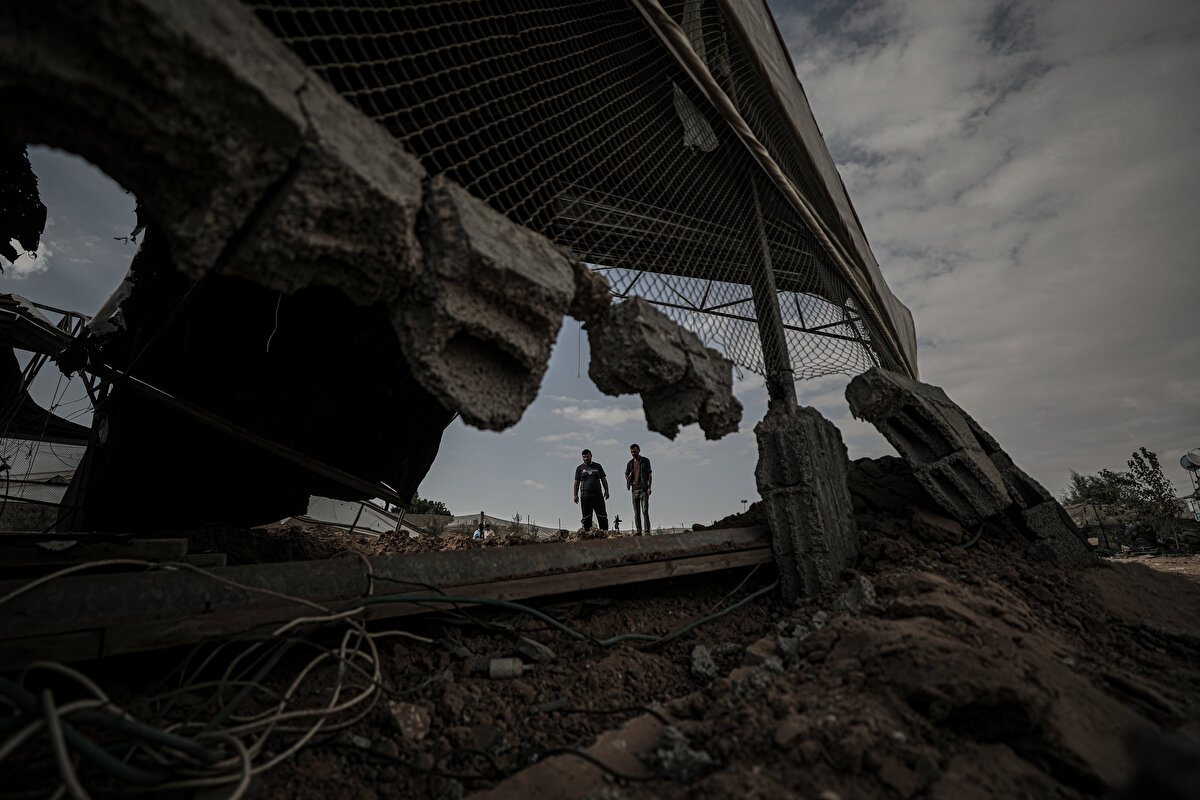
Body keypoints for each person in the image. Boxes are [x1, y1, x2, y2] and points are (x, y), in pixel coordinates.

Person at [573, 449, 610, 531]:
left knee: (602, 515)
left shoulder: (598, 466)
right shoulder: (579, 468)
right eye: (584, 457)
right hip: (585, 496)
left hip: (598, 495)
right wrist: (575, 495)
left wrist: (607, 491)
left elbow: (603, 479)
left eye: (587, 457)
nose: (586, 458)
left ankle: (605, 532)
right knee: (586, 517)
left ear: (591, 456)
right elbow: (576, 482)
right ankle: (587, 533)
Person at [624, 443, 652, 535]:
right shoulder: (630, 463)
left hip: (643, 490)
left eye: (635, 451)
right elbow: (626, 474)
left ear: (639, 451)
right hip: (634, 491)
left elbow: (649, 475)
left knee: (645, 512)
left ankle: (647, 532)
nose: (633, 453)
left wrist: (649, 487)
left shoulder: (645, 461)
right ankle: (639, 531)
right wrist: (630, 482)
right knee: (637, 513)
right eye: (632, 452)